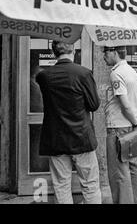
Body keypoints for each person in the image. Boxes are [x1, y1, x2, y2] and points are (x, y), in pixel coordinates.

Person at [36, 41, 101, 204]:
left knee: (61, 185)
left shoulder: (43, 76)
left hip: (56, 138)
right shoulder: (83, 73)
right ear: (73, 51)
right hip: (82, 137)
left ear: (53, 53)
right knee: (90, 185)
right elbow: (94, 105)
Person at [103, 46, 137, 204]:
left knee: (119, 172)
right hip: (131, 127)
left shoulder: (116, 73)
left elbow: (125, 105)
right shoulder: (132, 71)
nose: (103, 56)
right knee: (132, 166)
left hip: (118, 127)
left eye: (106, 52)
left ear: (114, 52)